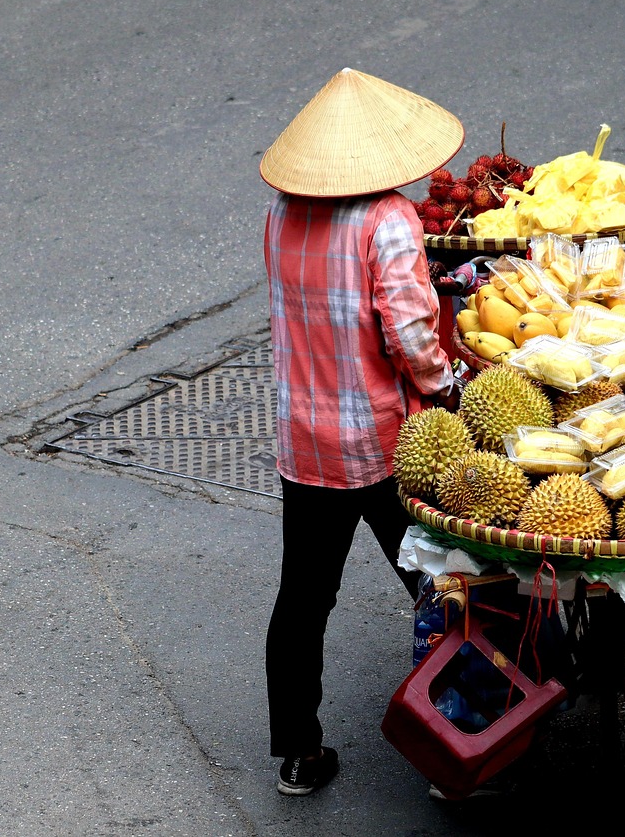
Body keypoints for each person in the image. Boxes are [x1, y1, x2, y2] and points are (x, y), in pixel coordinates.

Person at [257, 68, 463, 796]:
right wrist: (446, 386)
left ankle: (300, 753)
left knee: (303, 598)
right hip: (382, 443)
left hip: (305, 440)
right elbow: (410, 334)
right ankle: (457, 746)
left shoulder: (283, 216)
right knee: (441, 584)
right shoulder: (389, 222)